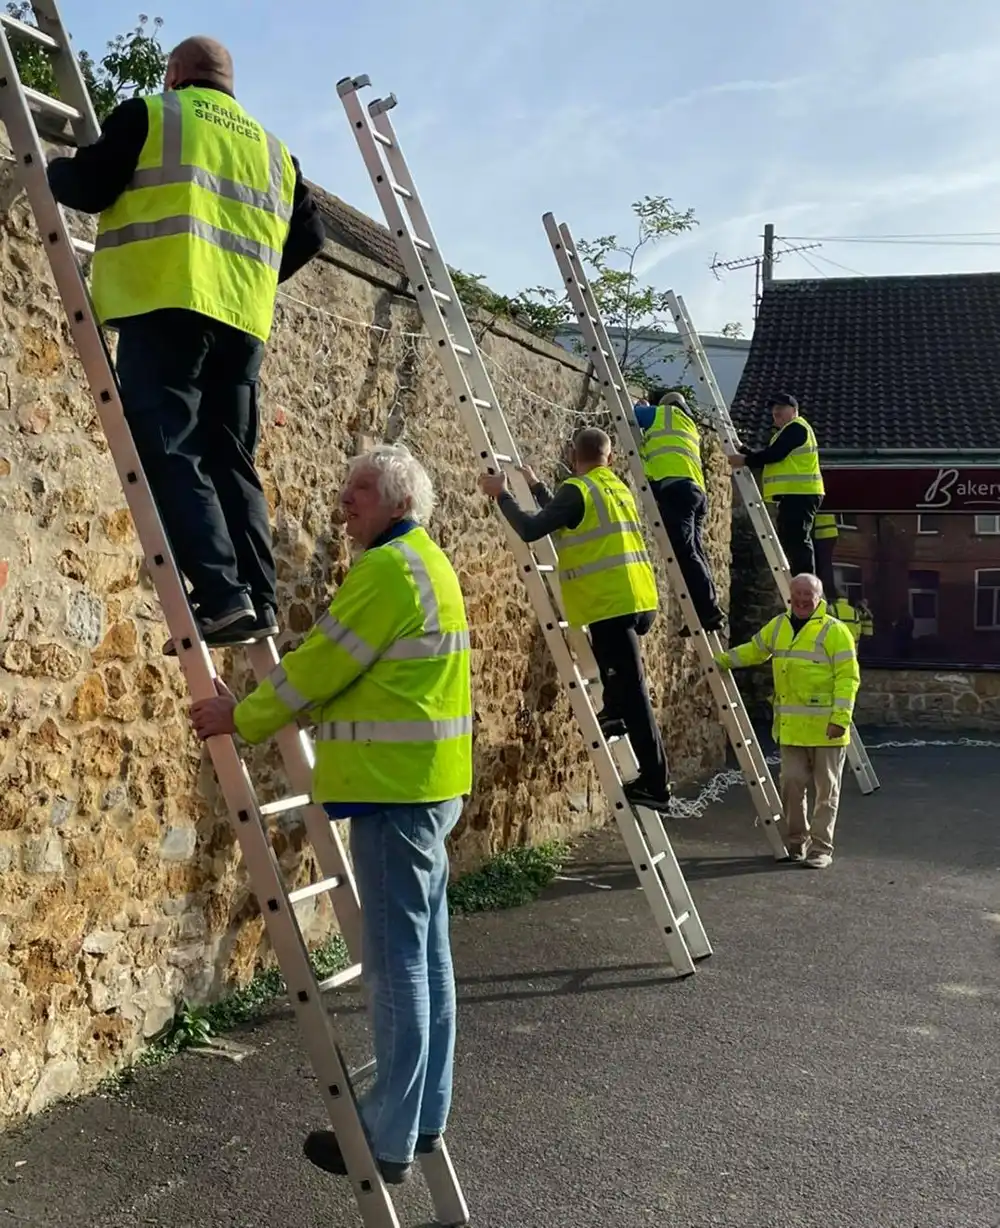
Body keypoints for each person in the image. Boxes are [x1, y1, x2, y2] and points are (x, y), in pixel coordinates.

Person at [189, 444, 472, 1185]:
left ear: (398, 503)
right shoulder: (428, 563)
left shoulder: (385, 572)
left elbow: (318, 666)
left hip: (394, 793)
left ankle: (383, 1134)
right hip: (429, 787)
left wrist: (239, 715)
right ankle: (424, 1114)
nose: (345, 501)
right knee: (429, 961)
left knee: (397, 967)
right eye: (346, 487)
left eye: (363, 490)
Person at [48, 36, 326, 651]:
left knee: (169, 443)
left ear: (174, 73)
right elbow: (311, 236)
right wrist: (251, 275)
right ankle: (259, 599)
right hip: (243, 322)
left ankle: (225, 600)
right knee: (231, 458)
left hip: (167, 303)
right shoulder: (276, 153)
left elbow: (88, 189)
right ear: (228, 82)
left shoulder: (153, 115)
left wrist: (53, 169)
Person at [478, 427, 671, 812]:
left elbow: (534, 528)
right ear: (610, 458)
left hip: (609, 605)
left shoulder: (578, 490)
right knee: (620, 687)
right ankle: (613, 713)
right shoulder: (614, 488)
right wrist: (535, 488)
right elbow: (567, 518)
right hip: (638, 599)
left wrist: (501, 495)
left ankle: (656, 784)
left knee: (635, 696)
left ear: (571, 455)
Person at [714, 573, 859, 869]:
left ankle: (821, 848)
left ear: (820, 598)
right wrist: (721, 660)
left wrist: (840, 719)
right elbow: (755, 650)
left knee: (826, 792)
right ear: (790, 596)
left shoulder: (836, 631)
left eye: (810, 595)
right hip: (792, 728)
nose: (804, 600)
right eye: (798, 595)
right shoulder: (778, 626)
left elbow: (848, 678)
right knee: (791, 785)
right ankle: (796, 842)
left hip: (827, 729)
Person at [632, 388, 725, 632]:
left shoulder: (662, 414)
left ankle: (708, 612)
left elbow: (633, 416)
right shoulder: (690, 425)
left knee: (685, 553)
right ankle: (707, 609)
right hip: (696, 493)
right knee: (695, 551)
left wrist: (641, 404)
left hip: (676, 490)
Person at [729, 393, 825, 576]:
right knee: (792, 538)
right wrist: (745, 450)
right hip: (795, 494)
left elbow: (774, 455)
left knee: (797, 539)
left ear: (794, 411)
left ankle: (805, 580)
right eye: (774, 412)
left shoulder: (796, 428)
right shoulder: (787, 432)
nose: (776, 414)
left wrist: (745, 459)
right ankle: (801, 577)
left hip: (801, 493)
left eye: (781, 409)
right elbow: (772, 455)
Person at [812, 512, 839, 602]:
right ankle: (828, 594)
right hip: (829, 532)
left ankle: (826, 594)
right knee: (825, 565)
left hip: (821, 532)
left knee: (822, 566)